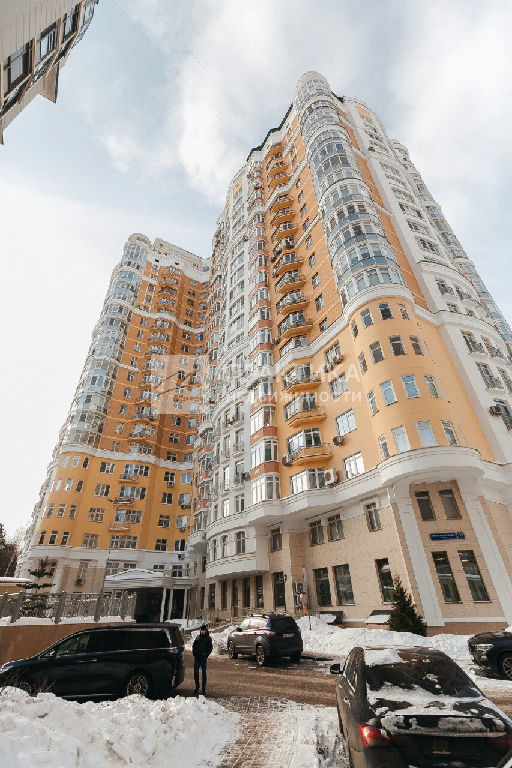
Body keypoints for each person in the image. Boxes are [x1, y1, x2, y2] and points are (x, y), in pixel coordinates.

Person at [192, 624, 213, 696]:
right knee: (196, 673)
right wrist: (194, 653)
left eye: (203, 630)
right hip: (197, 658)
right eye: (201, 630)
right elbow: (194, 646)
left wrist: (206, 655)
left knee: (204, 674)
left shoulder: (208, 638)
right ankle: (197, 687)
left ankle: (203, 689)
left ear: (206, 630)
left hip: (203, 658)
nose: (202, 631)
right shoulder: (198, 637)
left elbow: (210, 648)